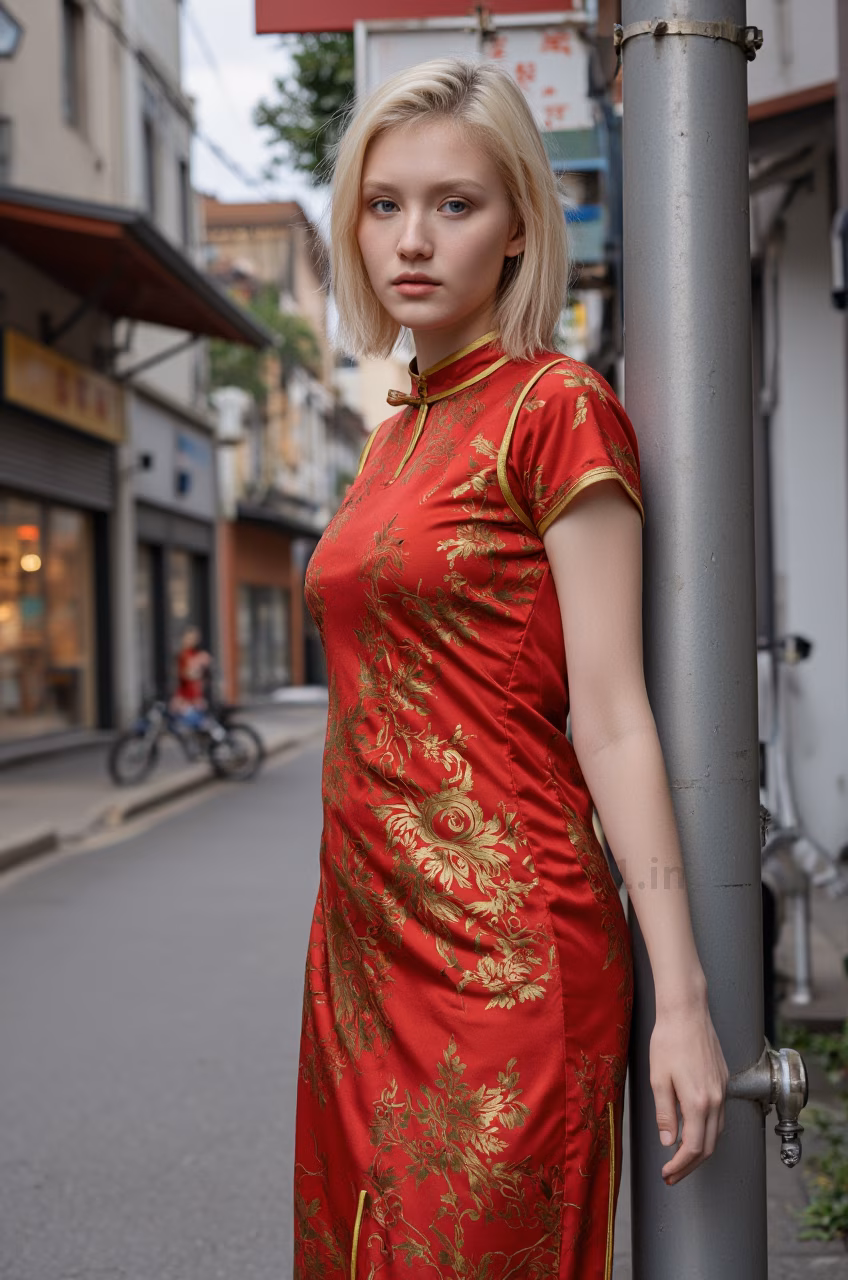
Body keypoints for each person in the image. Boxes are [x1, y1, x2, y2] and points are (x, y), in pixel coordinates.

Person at [294, 59, 728, 1279]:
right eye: (383, 205)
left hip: (506, 962)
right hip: (360, 958)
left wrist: (681, 997)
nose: (411, 240)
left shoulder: (556, 409)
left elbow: (612, 717)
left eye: (454, 204)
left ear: (519, 225)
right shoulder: (390, 436)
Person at [170, 625, 211, 730]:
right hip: (185, 699)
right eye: (190, 638)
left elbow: (203, 674)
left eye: (194, 638)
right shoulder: (182, 655)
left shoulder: (195, 654)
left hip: (196, 698)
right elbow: (184, 675)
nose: (192, 641)